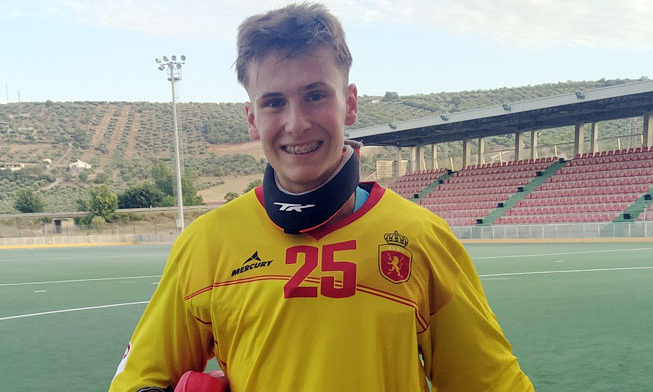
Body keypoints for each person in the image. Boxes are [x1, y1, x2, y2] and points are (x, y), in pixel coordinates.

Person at [109, 3, 534, 391]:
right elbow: (136, 379)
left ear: (349, 104)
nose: (296, 123)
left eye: (315, 95)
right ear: (252, 119)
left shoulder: (421, 237)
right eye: (274, 103)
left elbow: (490, 382)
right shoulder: (205, 244)